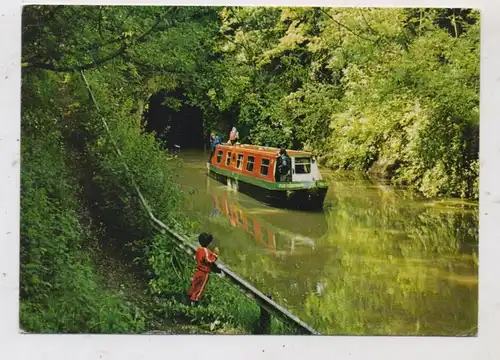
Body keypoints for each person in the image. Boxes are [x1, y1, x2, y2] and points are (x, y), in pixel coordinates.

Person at [186, 232, 219, 305]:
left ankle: (188, 299)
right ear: (208, 243)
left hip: (198, 271)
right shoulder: (205, 251)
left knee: (194, 285)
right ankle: (194, 303)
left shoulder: (199, 250)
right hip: (204, 273)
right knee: (200, 288)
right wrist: (215, 254)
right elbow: (209, 260)